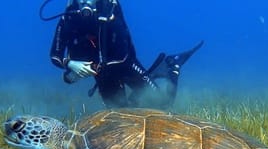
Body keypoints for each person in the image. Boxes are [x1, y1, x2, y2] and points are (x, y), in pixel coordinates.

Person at [42, 0, 203, 108]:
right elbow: (54, 55)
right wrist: (70, 64)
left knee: (163, 104)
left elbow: (123, 55)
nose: (85, 2)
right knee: (121, 115)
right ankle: (144, 87)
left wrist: (94, 67)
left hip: (126, 66)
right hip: (103, 75)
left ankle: (171, 65)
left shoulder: (110, 10)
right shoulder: (68, 18)